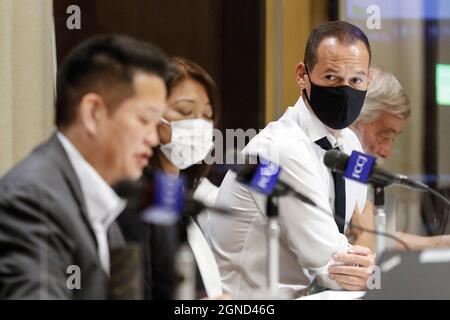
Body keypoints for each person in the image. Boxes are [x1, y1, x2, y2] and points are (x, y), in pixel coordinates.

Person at [208, 20, 375, 298]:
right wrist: (366, 246)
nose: (345, 90)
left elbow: (360, 223)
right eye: (331, 77)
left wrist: (363, 246)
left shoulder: (352, 145)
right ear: (302, 74)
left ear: (368, 80)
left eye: (356, 80)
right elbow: (334, 269)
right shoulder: (280, 150)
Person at [0, 35, 171, 299]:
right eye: (144, 120)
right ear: (93, 113)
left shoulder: (104, 211)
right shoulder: (33, 199)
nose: (154, 138)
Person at [117, 57, 224, 299]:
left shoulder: (181, 196)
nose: (200, 124)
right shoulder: (137, 200)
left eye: (207, 115)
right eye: (185, 111)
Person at [350, 66, 450, 251]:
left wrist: (442, 243)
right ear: (355, 120)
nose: (387, 151)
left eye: (393, 138)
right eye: (383, 135)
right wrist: (367, 235)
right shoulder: (329, 160)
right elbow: (368, 240)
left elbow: (382, 238)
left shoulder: (358, 164)